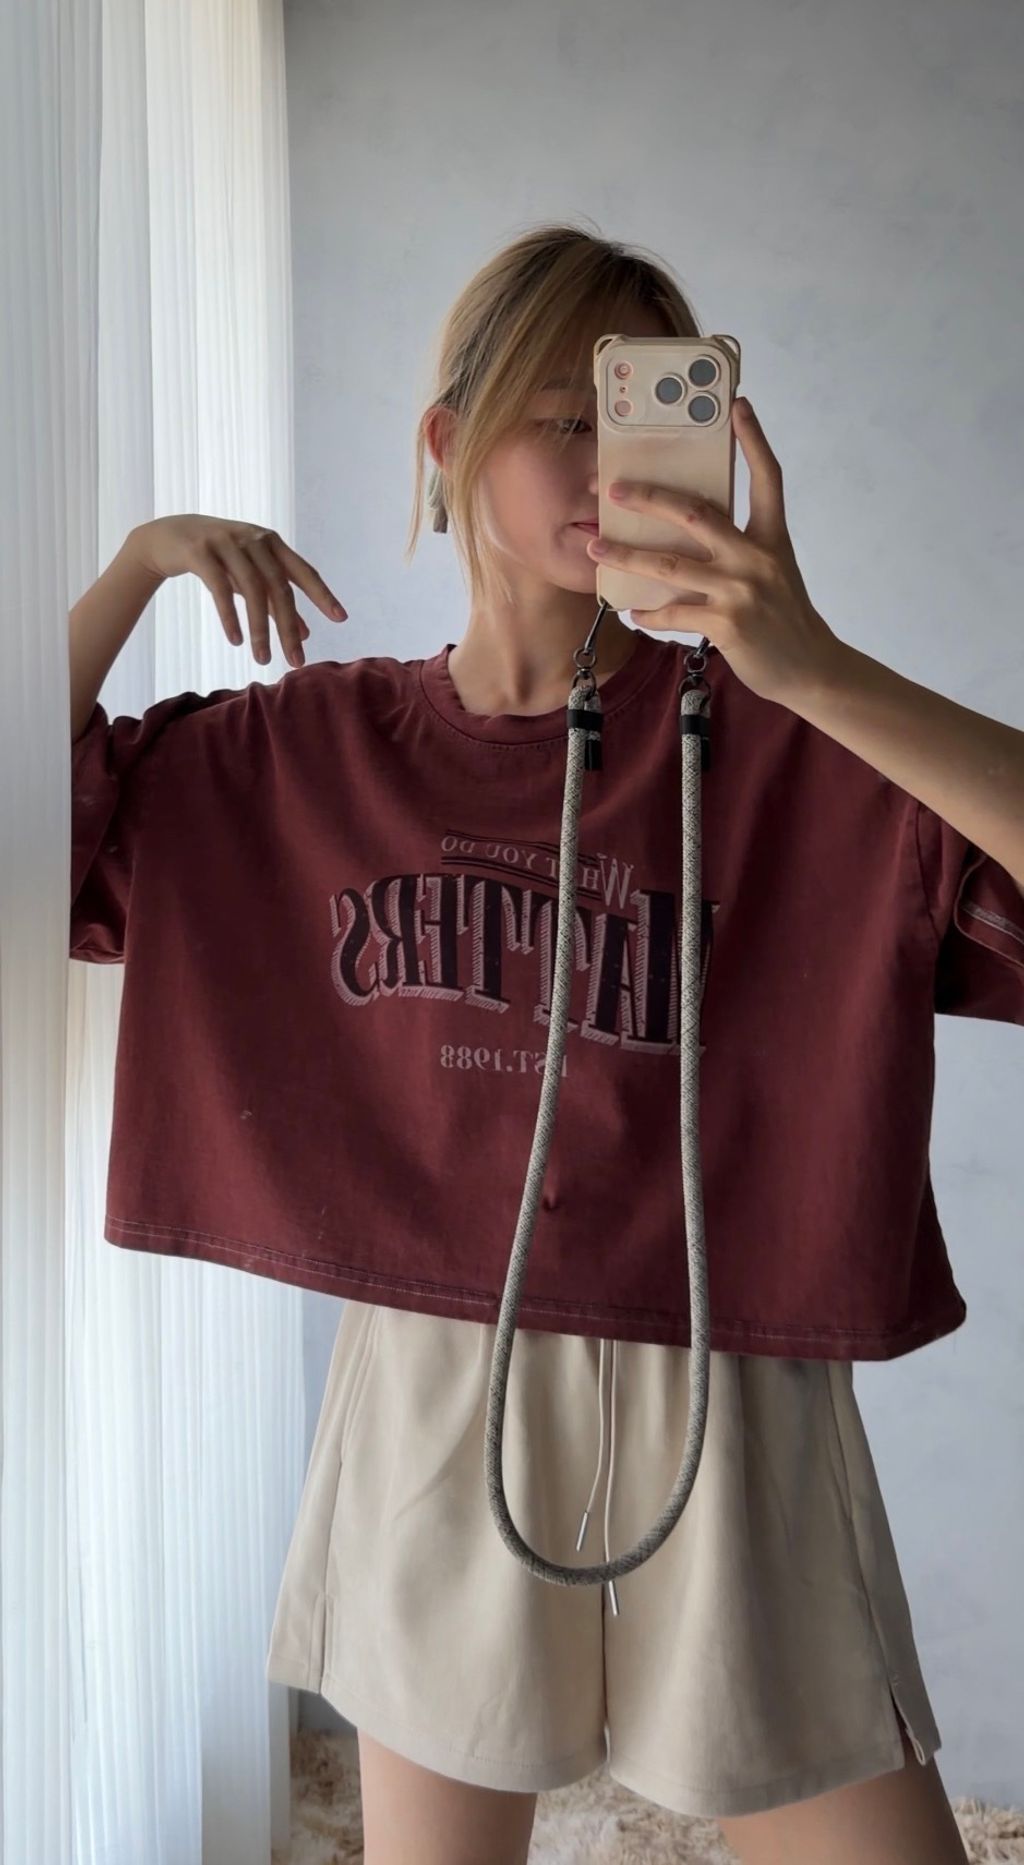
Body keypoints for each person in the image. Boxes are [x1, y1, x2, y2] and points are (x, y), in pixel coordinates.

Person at [71, 222, 1024, 1864]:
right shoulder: (315, 751)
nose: (606, 463)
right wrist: (135, 566)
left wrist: (808, 663)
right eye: (561, 417)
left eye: (644, 409)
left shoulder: (783, 740)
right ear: (449, 442)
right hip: (440, 1366)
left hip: (733, 1369)